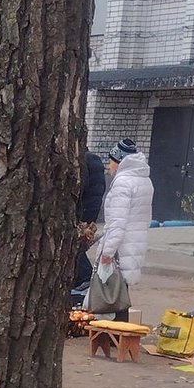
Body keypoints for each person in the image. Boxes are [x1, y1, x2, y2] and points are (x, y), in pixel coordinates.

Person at [96, 138, 153, 322]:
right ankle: (120, 334)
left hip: (121, 245)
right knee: (122, 290)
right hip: (135, 243)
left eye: (111, 160)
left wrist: (108, 251)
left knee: (112, 291)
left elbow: (117, 222)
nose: (109, 165)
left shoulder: (123, 183)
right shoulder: (144, 180)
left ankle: (112, 335)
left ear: (119, 161)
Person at [75, 148, 107, 291]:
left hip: (84, 208)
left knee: (75, 245)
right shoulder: (95, 161)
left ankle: (85, 276)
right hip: (92, 208)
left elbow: (82, 185)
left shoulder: (85, 161)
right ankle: (82, 277)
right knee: (78, 243)